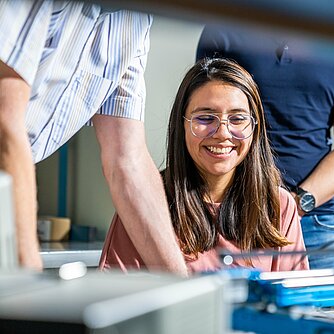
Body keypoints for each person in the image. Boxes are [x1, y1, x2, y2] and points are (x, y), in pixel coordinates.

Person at [0, 0, 187, 275]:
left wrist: (182, 287)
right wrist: (29, 276)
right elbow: (5, 124)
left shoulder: (134, 22)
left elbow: (127, 162)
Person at [99, 58, 309, 274]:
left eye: (237, 119)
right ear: (182, 124)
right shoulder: (143, 202)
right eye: (206, 118)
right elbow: (118, 297)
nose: (222, 133)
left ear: (255, 128)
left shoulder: (279, 205)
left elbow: (293, 300)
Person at [196, 24, 334, 270]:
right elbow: (205, 116)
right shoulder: (225, 25)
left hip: (314, 222)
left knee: (313, 310)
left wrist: (297, 203)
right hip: (233, 212)